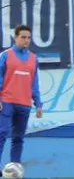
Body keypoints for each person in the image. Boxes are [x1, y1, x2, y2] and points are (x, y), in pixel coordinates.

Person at [0, 25, 43, 166]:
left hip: (24, 104)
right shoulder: (5, 56)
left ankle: (14, 167)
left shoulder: (33, 59)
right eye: (23, 37)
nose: (26, 40)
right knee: (2, 133)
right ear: (15, 37)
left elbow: (34, 82)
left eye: (29, 38)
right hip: (6, 101)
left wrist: (38, 103)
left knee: (18, 138)